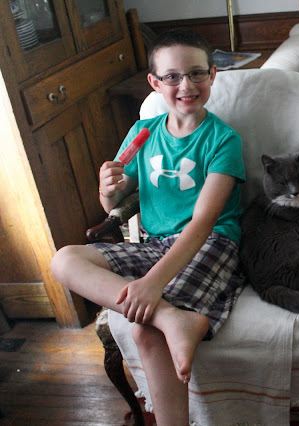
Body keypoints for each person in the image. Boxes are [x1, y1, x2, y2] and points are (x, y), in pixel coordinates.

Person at [50, 28, 246, 424]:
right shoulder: (143, 134)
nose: (186, 85)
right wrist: (107, 189)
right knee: (64, 260)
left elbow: (204, 222)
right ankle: (172, 316)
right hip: (154, 244)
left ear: (212, 75)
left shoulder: (224, 140)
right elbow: (114, 204)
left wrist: (152, 284)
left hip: (210, 241)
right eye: (172, 76)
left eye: (196, 73)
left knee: (143, 330)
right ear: (155, 83)